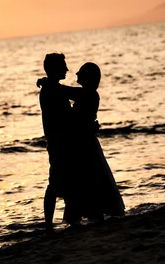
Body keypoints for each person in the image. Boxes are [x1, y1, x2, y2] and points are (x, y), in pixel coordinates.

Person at [38, 60, 124, 227]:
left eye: (81, 72)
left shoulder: (89, 94)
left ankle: (91, 218)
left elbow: (64, 92)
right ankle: (89, 218)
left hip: (84, 145)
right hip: (79, 143)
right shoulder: (85, 93)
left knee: (90, 181)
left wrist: (47, 82)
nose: (75, 73)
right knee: (85, 182)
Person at [38, 53, 80, 232]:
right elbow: (75, 94)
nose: (67, 69)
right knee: (55, 183)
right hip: (58, 142)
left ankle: (71, 219)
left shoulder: (52, 87)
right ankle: (49, 224)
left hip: (60, 141)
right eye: (63, 66)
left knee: (66, 179)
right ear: (54, 69)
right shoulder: (51, 90)